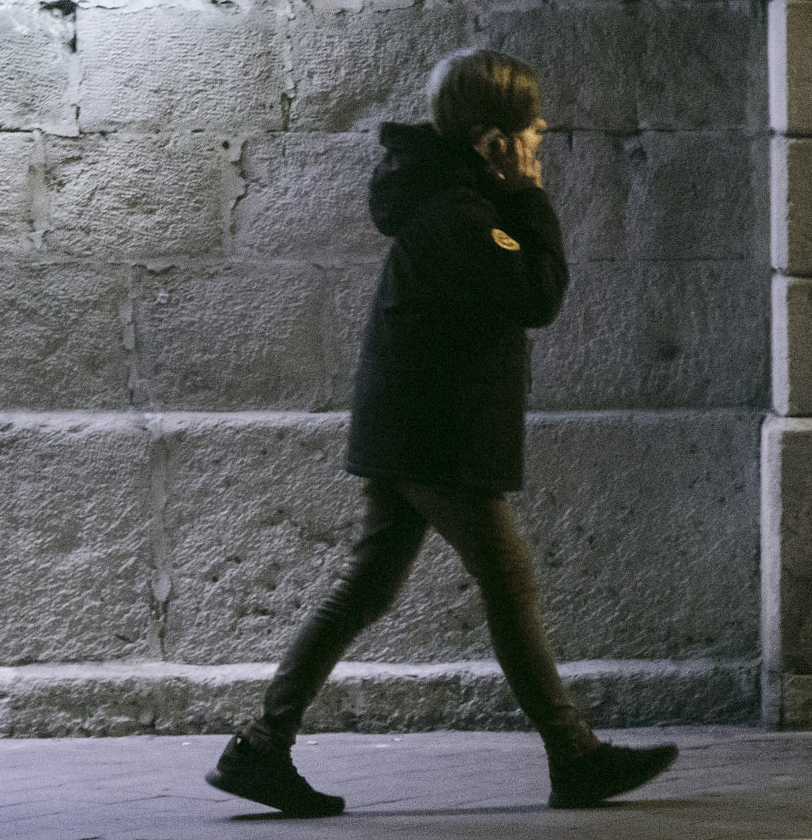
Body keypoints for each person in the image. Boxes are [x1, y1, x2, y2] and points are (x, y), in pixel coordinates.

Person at [206, 49, 679, 817]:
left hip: (415, 429)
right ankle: (574, 754)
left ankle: (262, 745)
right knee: (509, 582)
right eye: (530, 126)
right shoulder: (461, 213)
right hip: (437, 437)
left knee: (365, 588)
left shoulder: (447, 195)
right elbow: (537, 291)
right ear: (493, 138)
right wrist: (528, 195)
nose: (542, 133)